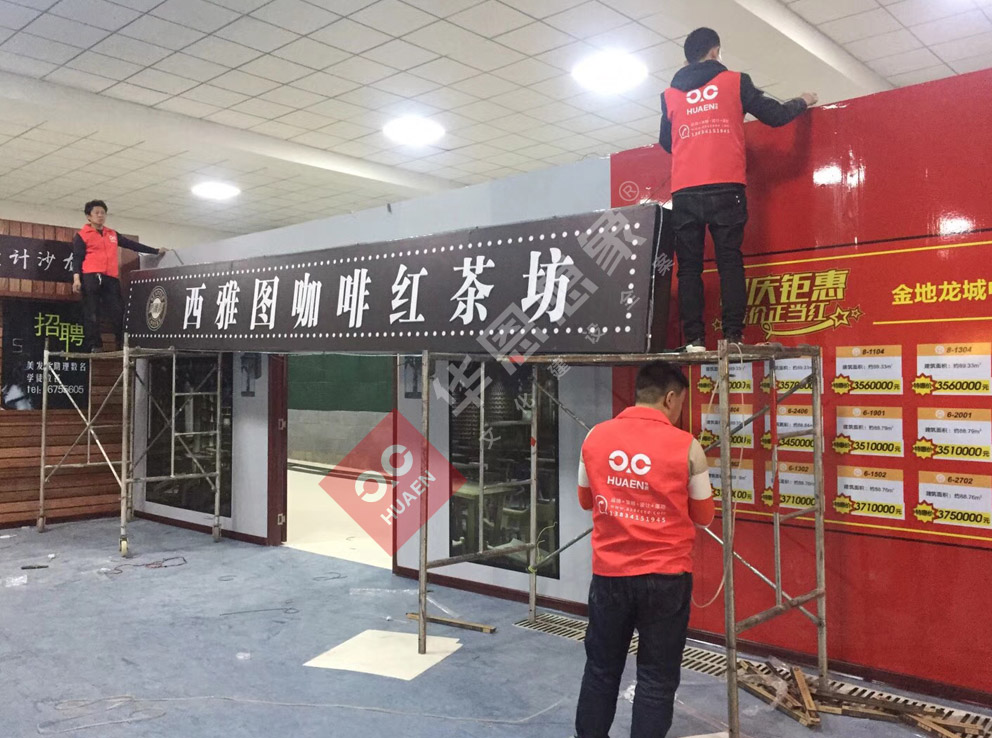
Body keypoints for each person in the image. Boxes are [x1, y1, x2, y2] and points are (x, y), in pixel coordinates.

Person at [574, 361, 715, 738]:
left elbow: (585, 500)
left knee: (601, 671)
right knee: (656, 679)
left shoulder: (595, 437)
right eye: (681, 402)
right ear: (670, 398)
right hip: (666, 579)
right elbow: (704, 516)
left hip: (610, 576)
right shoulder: (688, 447)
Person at [660, 27, 817, 352]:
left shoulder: (670, 95)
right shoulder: (735, 82)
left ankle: (694, 341)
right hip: (725, 185)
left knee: (688, 269)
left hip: (685, 191)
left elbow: (666, 142)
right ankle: (732, 337)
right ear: (715, 52)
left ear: (687, 59)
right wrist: (803, 101)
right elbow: (774, 116)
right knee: (729, 261)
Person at [71, 200, 166, 352]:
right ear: (89, 216)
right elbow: (77, 258)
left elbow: (131, 245)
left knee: (118, 311)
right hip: (91, 276)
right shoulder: (82, 236)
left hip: (110, 277)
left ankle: (122, 343)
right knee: (92, 311)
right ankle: (95, 345)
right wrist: (76, 279)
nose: (100, 215)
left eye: (103, 213)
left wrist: (155, 251)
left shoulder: (112, 234)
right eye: (97, 213)